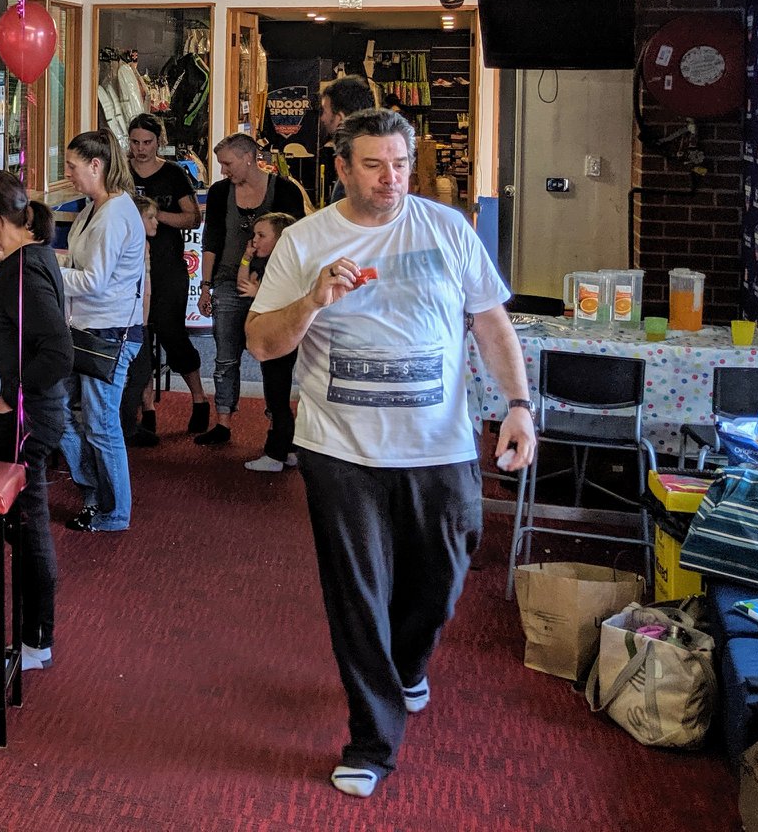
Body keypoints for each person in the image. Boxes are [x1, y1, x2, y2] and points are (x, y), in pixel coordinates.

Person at [246, 108, 537, 799]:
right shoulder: (308, 241)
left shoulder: (445, 229)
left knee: (443, 571)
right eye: (374, 165)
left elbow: (491, 323)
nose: (391, 178)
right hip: (340, 450)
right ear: (341, 167)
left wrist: (519, 407)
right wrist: (313, 301)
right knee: (358, 596)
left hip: (440, 445)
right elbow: (263, 343)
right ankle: (371, 741)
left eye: (400, 163)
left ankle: (408, 663)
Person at [0, 170, 73, 672]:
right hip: (31, 415)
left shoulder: (24, 270)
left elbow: (58, 352)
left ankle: (34, 641)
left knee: (29, 528)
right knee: (25, 526)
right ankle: (34, 638)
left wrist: (9, 395)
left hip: (27, 419)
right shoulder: (27, 259)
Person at [58, 129, 147, 533]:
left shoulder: (112, 213)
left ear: (97, 166)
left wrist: (47, 273)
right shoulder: (98, 207)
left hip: (109, 331)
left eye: (73, 167)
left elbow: (91, 280)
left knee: (101, 424)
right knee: (64, 412)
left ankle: (113, 510)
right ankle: (96, 493)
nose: (69, 175)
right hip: (89, 327)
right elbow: (80, 263)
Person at [197, 133, 308, 447]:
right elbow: (212, 241)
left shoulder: (284, 190)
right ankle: (222, 420)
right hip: (229, 281)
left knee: (274, 359)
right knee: (225, 355)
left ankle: (278, 426)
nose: (223, 171)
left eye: (227, 163)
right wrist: (206, 286)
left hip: (274, 287)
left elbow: (296, 241)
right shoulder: (220, 193)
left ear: (248, 157)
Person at [119, 113, 207, 445]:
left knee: (171, 333)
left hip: (168, 264)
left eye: (147, 143)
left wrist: (154, 216)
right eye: (135, 142)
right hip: (130, 266)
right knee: (137, 338)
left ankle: (198, 398)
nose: (141, 149)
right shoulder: (120, 173)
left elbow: (192, 217)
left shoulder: (172, 173)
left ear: (159, 143)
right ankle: (148, 410)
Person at [236, 212, 301, 473]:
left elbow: (290, 300)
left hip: (279, 338)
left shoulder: (286, 268)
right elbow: (243, 282)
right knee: (276, 394)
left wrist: (258, 292)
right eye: (254, 235)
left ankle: (276, 453)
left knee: (277, 396)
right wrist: (246, 256)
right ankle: (289, 449)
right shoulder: (266, 264)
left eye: (261, 236)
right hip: (271, 335)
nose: (255, 240)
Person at [317, 76, 377, 204]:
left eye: (324, 112)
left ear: (341, 118)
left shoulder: (352, 175)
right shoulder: (374, 159)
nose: (322, 118)